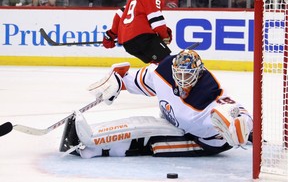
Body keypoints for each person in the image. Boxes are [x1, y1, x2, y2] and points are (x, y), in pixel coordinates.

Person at [59, 49, 253, 158]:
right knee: (143, 126)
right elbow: (137, 80)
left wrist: (242, 125)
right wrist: (118, 82)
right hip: (177, 123)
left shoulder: (210, 91)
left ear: (199, 73)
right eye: (180, 75)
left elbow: (235, 111)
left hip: (206, 142)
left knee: (157, 144)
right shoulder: (163, 71)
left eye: (188, 76)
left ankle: (94, 151)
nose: (183, 81)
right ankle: (95, 140)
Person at [102, 0, 172, 64]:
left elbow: (119, 14)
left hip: (128, 44)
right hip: (143, 38)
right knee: (166, 62)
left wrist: (110, 35)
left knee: (156, 64)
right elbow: (156, 21)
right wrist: (165, 36)